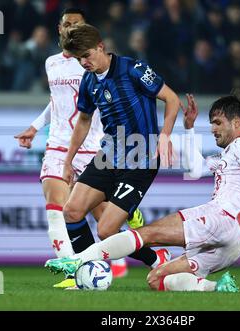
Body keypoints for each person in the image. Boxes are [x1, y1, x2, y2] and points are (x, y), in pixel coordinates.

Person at [45, 94, 240, 292]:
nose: (212, 129)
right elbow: (196, 169)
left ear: (236, 123)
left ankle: (79, 259)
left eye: (218, 123)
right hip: (236, 242)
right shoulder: (227, 156)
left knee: (146, 233)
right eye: (211, 123)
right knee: (157, 279)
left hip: (223, 217)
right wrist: (189, 129)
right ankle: (217, 288)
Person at [14, 9, 154, 287]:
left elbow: (96, 105)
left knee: (105, 224)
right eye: (67, 25)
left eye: (77, 25)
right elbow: (57, 101)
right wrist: (35, 126)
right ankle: (74, 272)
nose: (71, 29)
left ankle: (156, 260)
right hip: (58, 144)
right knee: (57, 208)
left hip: (94, 144)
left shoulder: (91, 61)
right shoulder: (51, 63)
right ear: (59, 28)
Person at [49, 23, 179, 276]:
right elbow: (84, 121)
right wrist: (68, 161)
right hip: (109, 155)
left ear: (101, 47)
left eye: (86, 55)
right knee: (72, 211)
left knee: (106, 230)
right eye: (78, 59)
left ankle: (156, 257)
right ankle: (87, 272)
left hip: (141, 156)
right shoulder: (88, 82)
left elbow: (172, 99)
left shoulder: (134, 69)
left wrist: (164, 136)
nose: (83, 63)